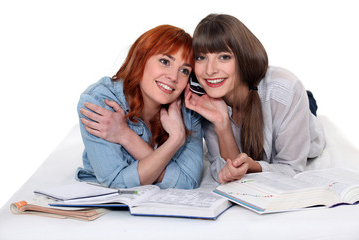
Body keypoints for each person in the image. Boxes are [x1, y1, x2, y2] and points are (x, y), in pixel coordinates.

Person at [184, 14, 326, 183]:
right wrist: (222, 123)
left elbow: (292, 169)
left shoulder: (286, 90)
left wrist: (255, 167)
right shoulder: (206, 99)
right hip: (251, 96)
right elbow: (227, 172)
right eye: (201, 58)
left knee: (302, 101)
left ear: (244, 56)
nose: (210, 70)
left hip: (281, 100)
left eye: (224, 57)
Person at [76, 25, 203, 189]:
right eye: (165, 62)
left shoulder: (189, 109)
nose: (173, 77)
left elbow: (188, 182)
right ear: (140, 58)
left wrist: (126, 135)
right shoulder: (99, 100)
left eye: (184, 71)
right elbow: (115, 181)